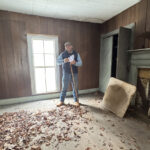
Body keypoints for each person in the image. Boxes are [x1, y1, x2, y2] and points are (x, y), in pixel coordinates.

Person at [56, 42, 82, 107]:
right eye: (66, 46)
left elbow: (80, 63)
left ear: (71, 46)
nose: (67, 47)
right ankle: (61, 101)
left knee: (75, 87)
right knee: (64, 87)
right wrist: (63, 61)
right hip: (66, 73)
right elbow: (57, 62)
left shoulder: (76, 54)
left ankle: (76, 101)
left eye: (68, 46)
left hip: (74, 73)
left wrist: (75, 62)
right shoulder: (63, 54)